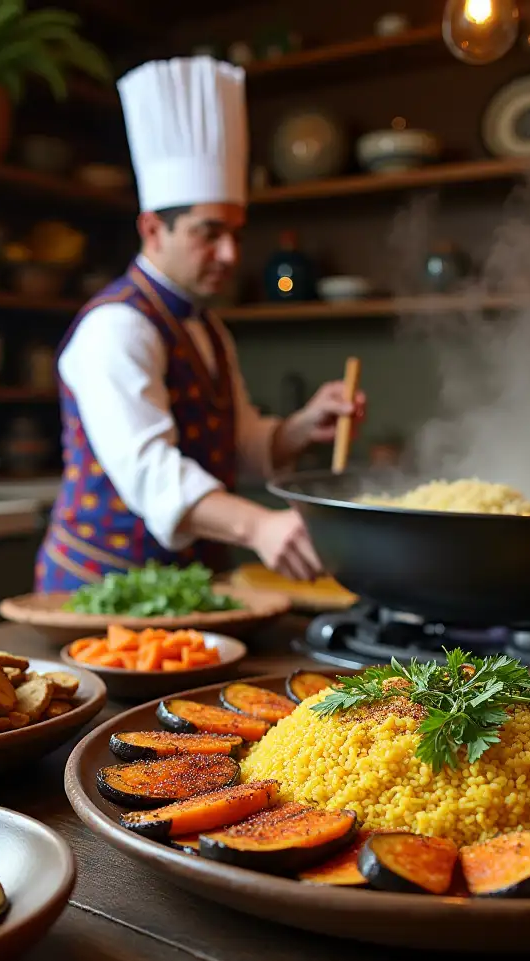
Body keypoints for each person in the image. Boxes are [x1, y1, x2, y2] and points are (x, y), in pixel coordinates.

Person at [35, 56, 365, 592]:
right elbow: (151, 473)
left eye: (235, 231)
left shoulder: (208, 327)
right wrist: (258, 525)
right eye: (209, 233)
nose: (231, 253)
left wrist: (303, 426)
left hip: (189, 588)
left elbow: (237, 443)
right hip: (100, 592)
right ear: (152, 229)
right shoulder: (116, 328)